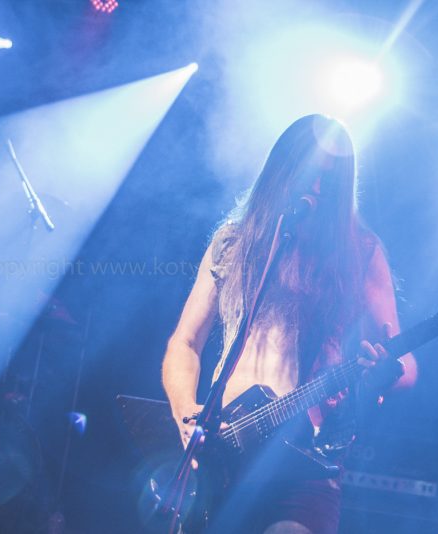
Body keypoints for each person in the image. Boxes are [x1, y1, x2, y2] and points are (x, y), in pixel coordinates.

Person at [161, 114, 417, 534]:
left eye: (330, 179)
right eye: (309, 172)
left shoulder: (360, 252)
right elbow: (185, 342)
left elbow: (405, 366)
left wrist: (381, 373)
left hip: (303, 457)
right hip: (225, 446)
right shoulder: (232, 241)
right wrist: (184, 411)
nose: (316, 186)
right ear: (282, 170)